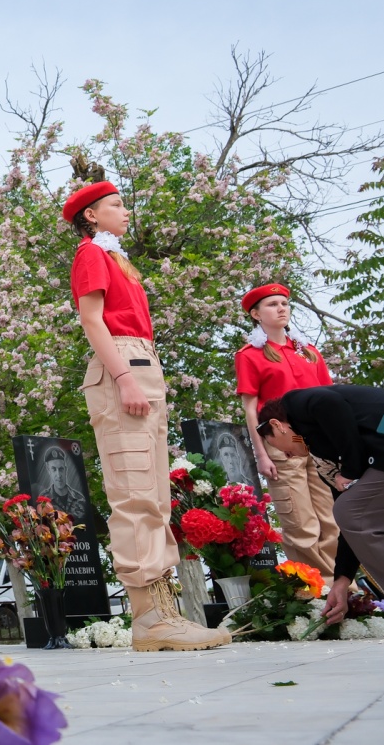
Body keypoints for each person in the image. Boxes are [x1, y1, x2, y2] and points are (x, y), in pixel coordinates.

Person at [65, 176, 230, 650]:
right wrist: (123, 377)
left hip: (144, 363)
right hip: (123, 364)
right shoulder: (91, 254)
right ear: (91, 215)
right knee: (135, 493)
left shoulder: (119, 259)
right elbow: (91, 320)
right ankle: (151, 617)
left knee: (156, 496)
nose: (126, 211)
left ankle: (163, 613)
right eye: (116, 205)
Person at [256, 386, 384, 624]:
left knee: (350, 509)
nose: (286, 455)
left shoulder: (298, 404)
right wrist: (342, 579)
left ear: (277, 425)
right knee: (351, 512)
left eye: (274, 444)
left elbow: (329, 402)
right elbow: (349, 528)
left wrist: (350, 471)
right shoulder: (326, 457)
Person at [234, 283, 338, 579]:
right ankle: (317, 587)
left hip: (318, 442)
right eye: (272, 304)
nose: (281, 308)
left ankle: (342, 586)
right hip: (280, 442)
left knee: (330, 519)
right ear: (256, 314)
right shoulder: (250, 355)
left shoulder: (309, 352)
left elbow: (330, 400)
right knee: (300, 521)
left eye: (284, 303)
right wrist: (261, 454)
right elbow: (251, 409)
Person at [34, 447, 89, 521]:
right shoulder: (44, 499)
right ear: (48, 470)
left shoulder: (79, 498)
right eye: (54, 469)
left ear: (66, 470)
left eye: (61, 469)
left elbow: (87, 523)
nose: (58, 475)